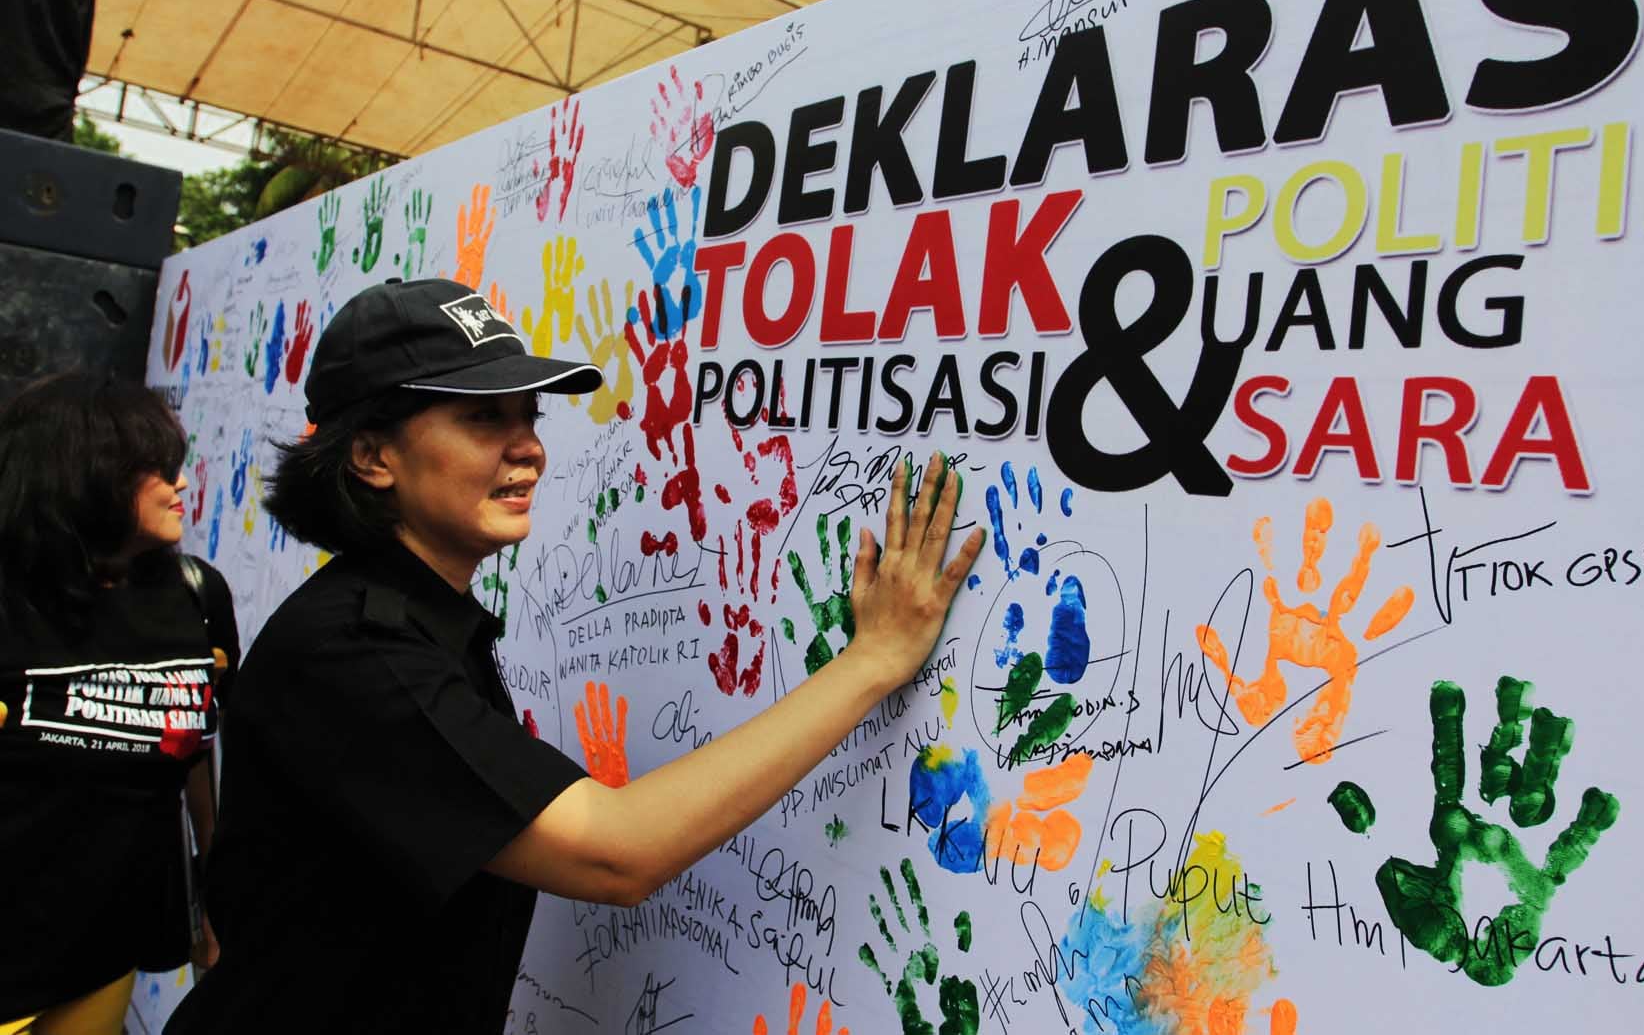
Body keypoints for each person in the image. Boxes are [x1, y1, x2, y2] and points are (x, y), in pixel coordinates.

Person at [167, 279, 984, 1032]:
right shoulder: (355, 649)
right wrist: (871, 660)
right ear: (373, 457)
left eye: (531, 418)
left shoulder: (413, 621)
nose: (529, 450)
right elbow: (617, 852)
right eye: (484, 419)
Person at [0, 371, 239, 1034]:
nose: (182, 484)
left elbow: (196, 745)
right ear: (82, 472)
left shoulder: (197, 596)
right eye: (156, 470)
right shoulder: (12, 603)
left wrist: (213, 898)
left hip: (103, 955)